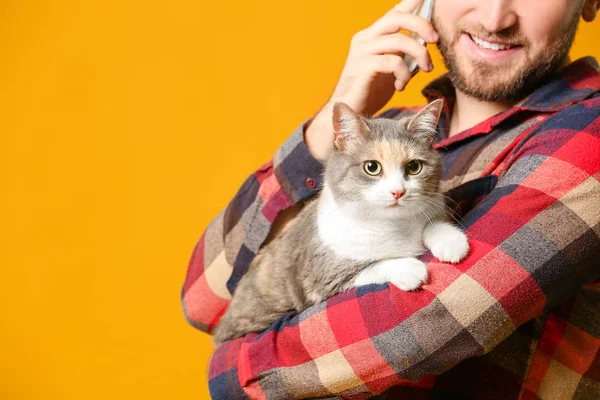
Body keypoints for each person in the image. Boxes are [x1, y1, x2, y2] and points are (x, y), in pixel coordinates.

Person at [182, 0, 600, 397]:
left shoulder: (587, 132)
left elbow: (423, 322)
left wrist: (233, 365)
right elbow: (206, 298)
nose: (494, 19)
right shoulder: (392, 132)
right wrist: (335, 121)